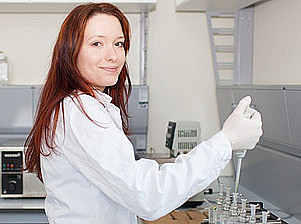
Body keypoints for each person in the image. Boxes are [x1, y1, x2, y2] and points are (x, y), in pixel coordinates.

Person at [24, 3, 263, 224]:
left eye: (118, 43)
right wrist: (226, 141)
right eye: (97, 43)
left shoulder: (78, 105)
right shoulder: (81, 111)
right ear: (70, 52)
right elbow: (147, 194)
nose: (113, 56)